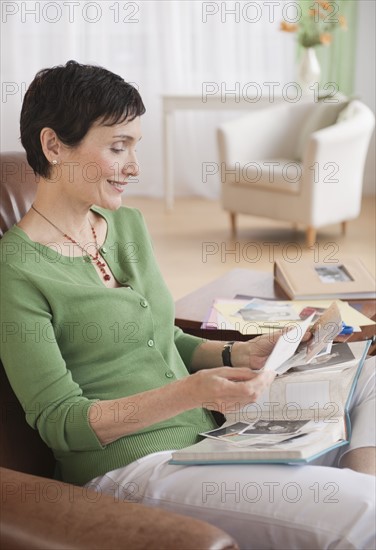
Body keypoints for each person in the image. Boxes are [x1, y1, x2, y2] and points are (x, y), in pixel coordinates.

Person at [0, 61, 375, 550]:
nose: (135, 167)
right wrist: (190, 394)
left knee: (368, 374)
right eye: (119, 148)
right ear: (53, 146)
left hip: (214, 435)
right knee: (361, 514)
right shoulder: (16, 271)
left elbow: (164, 336)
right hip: (132, 467)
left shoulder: (126, 225)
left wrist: (235, 356)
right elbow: (61, 422)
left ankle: (355, 490)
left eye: (136, 146)